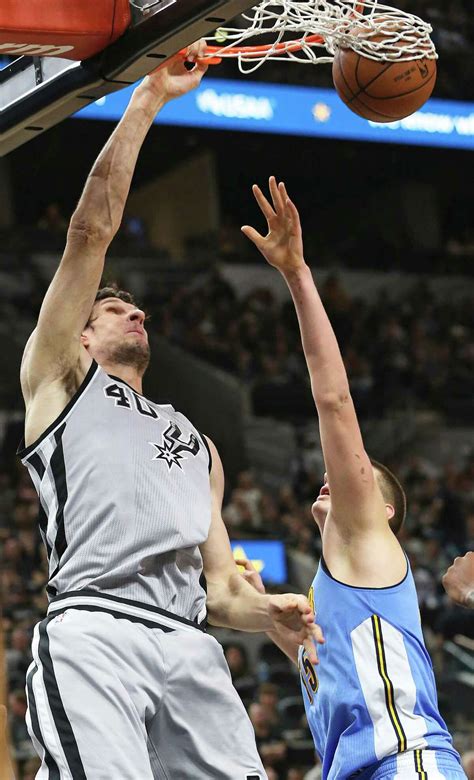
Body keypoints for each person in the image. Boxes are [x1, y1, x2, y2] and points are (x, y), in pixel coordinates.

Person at [17, 54, 323, 779]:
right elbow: (90, 231)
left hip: (188, 643)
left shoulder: (198, 444)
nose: (136, 312)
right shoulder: (60, 380)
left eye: (136, 306)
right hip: (95, 627)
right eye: (114, 308)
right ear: (83, 335)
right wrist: (149, 98)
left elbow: (217, 587)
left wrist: (263, 613)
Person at [241, 177, 466, 780]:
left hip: (407, 765)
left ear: (382, 511)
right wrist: (256, 598)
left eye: (363, 481)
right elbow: (302, 651)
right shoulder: (326, 600)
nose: (332, 477)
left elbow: (334, 400)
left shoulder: (366, 540)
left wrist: (296, 272)